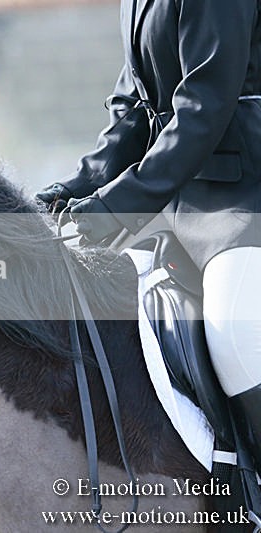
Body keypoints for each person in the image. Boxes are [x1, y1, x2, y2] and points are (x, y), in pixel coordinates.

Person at [36, 0, 261, 468]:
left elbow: (205, 104)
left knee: (236, 340)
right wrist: (71, 191)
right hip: (181, 199)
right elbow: (133, 108)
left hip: (245, 199)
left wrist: (118, 206)